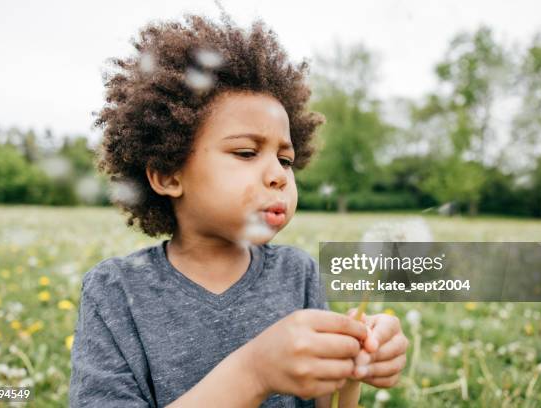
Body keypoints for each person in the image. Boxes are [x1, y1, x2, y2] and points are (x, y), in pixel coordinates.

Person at [69, 14, 408, 407]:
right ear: (167, 174)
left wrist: (354, 366)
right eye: (246, 153)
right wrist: (254, 373)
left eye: (285, 159)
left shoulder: (298, 274)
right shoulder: (116, 291)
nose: (279, 176)